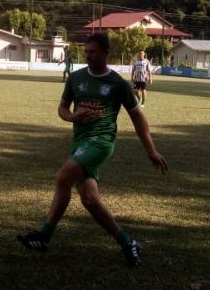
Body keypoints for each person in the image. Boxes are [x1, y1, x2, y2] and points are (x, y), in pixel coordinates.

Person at [17, 33, 168, 267]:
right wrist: (72, 117)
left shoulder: (118, 84)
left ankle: (44, 236)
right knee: (89, 199)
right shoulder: (76, 78)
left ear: (106, 53)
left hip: (101, 142)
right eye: (86, 52)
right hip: (80, 142)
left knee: (63, 176)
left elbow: (138, 118)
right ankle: (128, 243)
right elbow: (62, 108)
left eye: (93, 52)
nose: (88, 56)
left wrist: (151, 150)